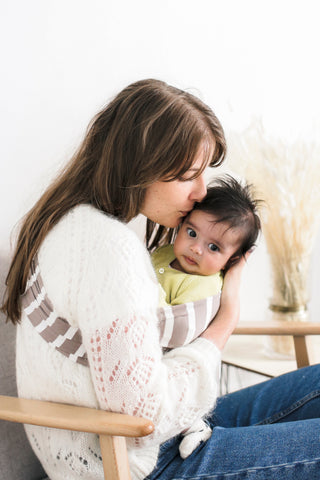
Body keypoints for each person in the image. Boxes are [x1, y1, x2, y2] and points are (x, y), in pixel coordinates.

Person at [1, 79, 320, 480]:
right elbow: (144, 418)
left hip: (151, 439)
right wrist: (223, 323)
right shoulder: (109, 249)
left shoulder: (68, 222)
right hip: (136, 464)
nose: (202, 192)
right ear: (140, 167)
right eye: (189, 175)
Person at [152, 175, 261, 458]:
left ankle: (195, 426)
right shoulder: (164, 254)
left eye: (214, 248)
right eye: (191, 233)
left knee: (186, 406)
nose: (197, 248)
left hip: (178, 368)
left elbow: (173, 324)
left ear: (232, 261)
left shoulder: (205, 286)